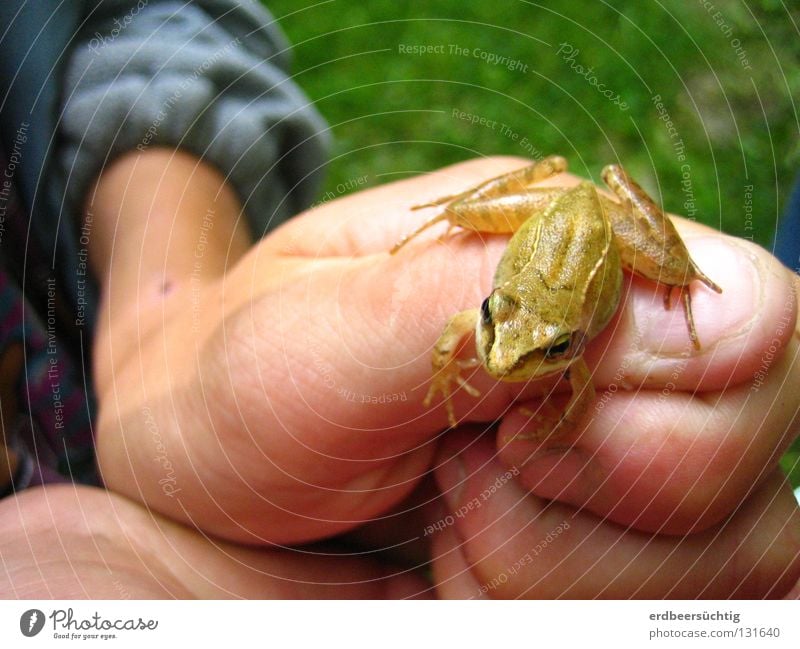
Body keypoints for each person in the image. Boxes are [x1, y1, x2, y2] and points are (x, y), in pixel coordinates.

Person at [1, 2, 798, 598]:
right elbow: (467, 328)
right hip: (546, 232)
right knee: (469, 223)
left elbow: (143, 17)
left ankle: (682, 273)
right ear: (492, 308)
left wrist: (162, 331)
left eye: (549, 352)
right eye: (494, 325)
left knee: (662, 275)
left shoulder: (572, 348)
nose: (500, 357)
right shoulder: (498, 329)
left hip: (584, 239)